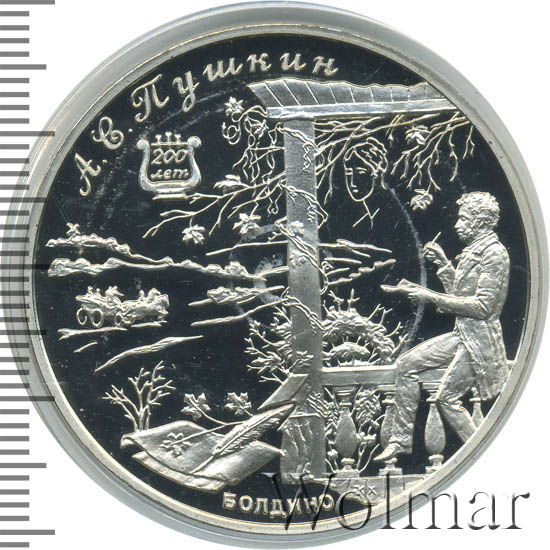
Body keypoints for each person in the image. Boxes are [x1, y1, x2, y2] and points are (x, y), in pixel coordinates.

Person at [374, 192, 510, 463]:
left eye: (463, 219)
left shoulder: (494, 254)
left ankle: (482, 453)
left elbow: (483, 308)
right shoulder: (475, 251)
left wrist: (429, 296)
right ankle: (400, 441)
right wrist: (443, 263)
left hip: (479, 343)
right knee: (406, 365)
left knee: (447, 398)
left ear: (481, 221)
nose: (457, 225)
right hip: (463, 336)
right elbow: (459, 296)